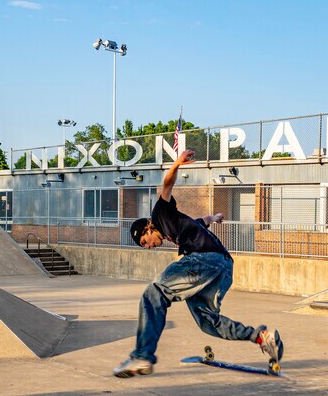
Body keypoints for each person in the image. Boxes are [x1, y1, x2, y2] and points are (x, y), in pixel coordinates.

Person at [113, 149, 283, 378]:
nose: (150, 246)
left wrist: (176, 165)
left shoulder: (160, 214)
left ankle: (142, 355)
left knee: (154, 293)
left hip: (205, 260)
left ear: (148, 227)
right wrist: (213, 218)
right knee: (207, 322)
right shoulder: (178, 228)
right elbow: (200, 222)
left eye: (146, 241)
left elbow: (166, 185)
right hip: (223, 268)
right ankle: (262, 337)